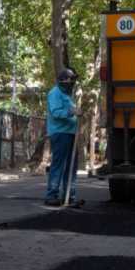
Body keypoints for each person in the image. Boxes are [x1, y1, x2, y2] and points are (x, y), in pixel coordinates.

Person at [45, 68, 83, 207]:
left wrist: (76, 112)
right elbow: (56, 113)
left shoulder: (67, 95)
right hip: (60, 133)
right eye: (70, 79)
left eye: (73, 79)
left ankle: (69, 196)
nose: (72, 82)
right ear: (63, 80)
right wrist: (71, 111)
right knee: (59, 165)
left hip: (70, 133)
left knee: (71, 166)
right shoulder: (55, 93)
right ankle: (51, 195)